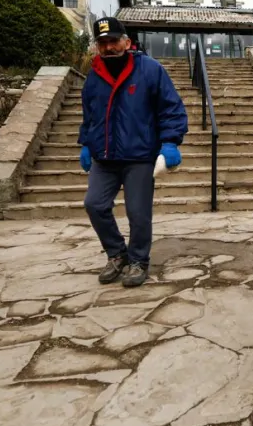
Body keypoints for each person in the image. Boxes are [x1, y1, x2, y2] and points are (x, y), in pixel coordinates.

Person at [79, 17, 188, 287]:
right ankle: (117, 254)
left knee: (138, 214)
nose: (108, 47)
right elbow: (89, 115)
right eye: (102, 43)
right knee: (94, 204)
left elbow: (171, 108)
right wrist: (85, 143)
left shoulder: (150, 70)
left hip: (139, 156)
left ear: (127, 42)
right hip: (104, 156)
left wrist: (170, 142)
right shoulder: (94, 74)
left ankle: (138, 260)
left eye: (113, 41)